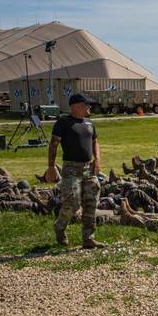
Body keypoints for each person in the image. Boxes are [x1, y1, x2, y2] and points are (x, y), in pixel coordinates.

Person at [46, 93, 105, 248]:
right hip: (71, 168)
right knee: (72, 202)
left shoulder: (89, 123)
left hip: (88, 168)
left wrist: (97, 159)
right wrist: (51, 167)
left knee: (91, 202)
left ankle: (88, 238)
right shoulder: (63, 122)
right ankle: (60, 227)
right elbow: (53, 145)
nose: (89, 107)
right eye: (87, 105)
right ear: (76, 106)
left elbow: (95, 141)